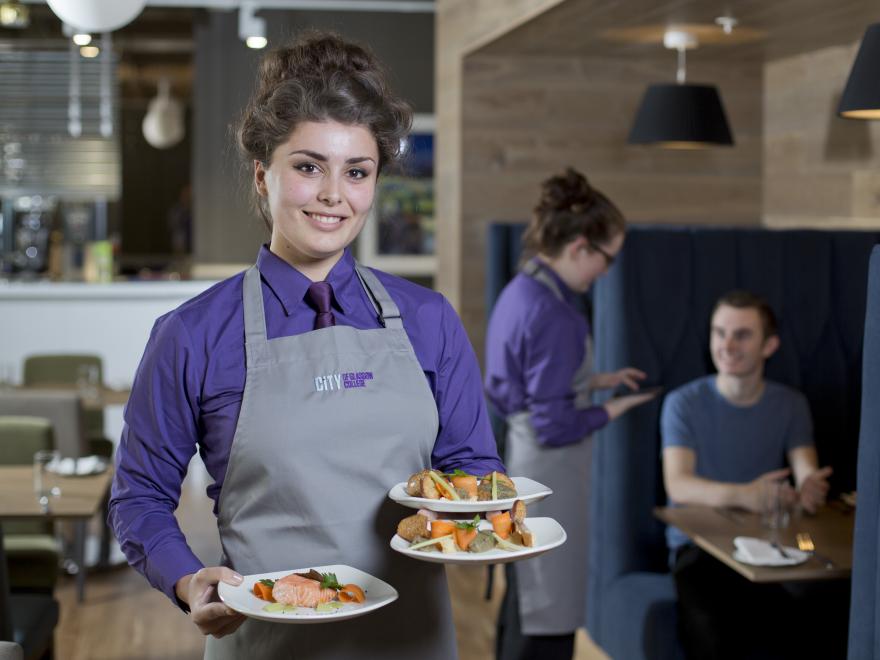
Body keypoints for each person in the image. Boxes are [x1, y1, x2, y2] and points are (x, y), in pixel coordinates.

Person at [108, 32, 504, 660]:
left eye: (357, 172)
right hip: (266, 642)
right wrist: (188, 579)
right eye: (308, 166)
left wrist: (485, 517)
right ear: (263, 176)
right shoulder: (192, 335)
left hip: (414, 641)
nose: (333, 195)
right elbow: (140, 498)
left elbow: (472, 469)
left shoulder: (429, 321)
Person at [485, 168, 658, 660]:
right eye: (607, 259)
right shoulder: (557, 314)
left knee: (524, 597)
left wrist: (592, 382)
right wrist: (611, 410)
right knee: (550, 610)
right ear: (581, 246)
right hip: (548, 471)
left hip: (519, 460)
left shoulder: (524, 288)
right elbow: (554, 424)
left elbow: (516, 381)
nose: (606, 271)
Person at [660, 290, 834, 659]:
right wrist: (746, 495)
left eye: (742, 335)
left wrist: (809, 488)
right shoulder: (683, 403)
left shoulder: (790, 404)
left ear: (769, 345)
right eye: (719, 332)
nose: (727, 345)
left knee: (819, 614)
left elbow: (805, 468)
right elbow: (678, 485)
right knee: (711, 626)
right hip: (701, 549)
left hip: (771, 548)